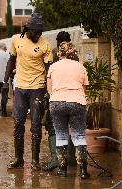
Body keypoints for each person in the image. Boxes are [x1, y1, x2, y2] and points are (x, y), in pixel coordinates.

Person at [4, 9, 53, 171]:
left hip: (37, 88)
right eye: (36, 32)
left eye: (40, 32)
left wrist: (48, 90)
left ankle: (34, 160)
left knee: (36, 124)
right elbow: (11, 60)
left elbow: (49, 69)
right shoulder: (16, 39)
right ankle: (18, 158)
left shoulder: (45, 45)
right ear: (28, 29)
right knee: (18, 122)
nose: (38, 35)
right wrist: (5, 81)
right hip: (20, 87)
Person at [47, 42, 90, 179]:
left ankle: (62, 170)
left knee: (60, 135)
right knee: (79, 136)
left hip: (57, 102)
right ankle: (83, 171)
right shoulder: (80, 66)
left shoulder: (53, 67)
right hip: (77, 102)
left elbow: (50, 89)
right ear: (74, 53)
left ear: (60, 53)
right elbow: (84, 88)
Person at [42, 31, 71, 171]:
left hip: (56, 96)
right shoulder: (74, 53)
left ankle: (56, 159)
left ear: (58, 41)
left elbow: (48, 74)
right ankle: (68, 158)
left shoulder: (54, 53)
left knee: (53, 127)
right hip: (72, 96)